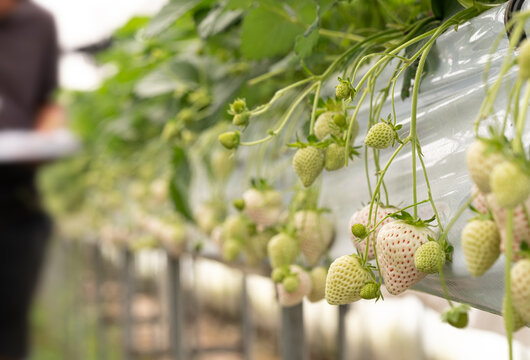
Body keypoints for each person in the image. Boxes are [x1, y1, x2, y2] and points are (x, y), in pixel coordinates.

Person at [0, 0, 62, 359]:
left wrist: (51, 130)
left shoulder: (38, 23)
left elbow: (48, 102)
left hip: (15, 202)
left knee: (9, 332)